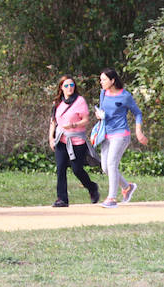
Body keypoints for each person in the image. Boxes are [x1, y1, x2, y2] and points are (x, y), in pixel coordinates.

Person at [96, 68, 148, 208]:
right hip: (106, 134)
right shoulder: (103, 93)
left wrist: (139, 131)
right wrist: (99, 116)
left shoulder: (125, 96)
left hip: (121, 134)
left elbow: (137, 113)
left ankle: (112, 198)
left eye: (104, 79)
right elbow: (102, 111)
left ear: (112, 80)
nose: (101, 82)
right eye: (101, 80)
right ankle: (127, 187)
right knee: (105, 167)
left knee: (112, 164)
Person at [49, 75, 101, 206]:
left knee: (77, 169)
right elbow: (53, 121)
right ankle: (62, 199)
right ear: (61, 87)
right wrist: (51, 137)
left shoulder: (79, 101)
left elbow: (85, 120)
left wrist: (73, 125)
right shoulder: (57, 102)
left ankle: (92, 187)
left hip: (76, 140)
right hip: (61, 139)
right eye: (66, 85)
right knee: (60, 168)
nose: (69, 88)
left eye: (71, 85)